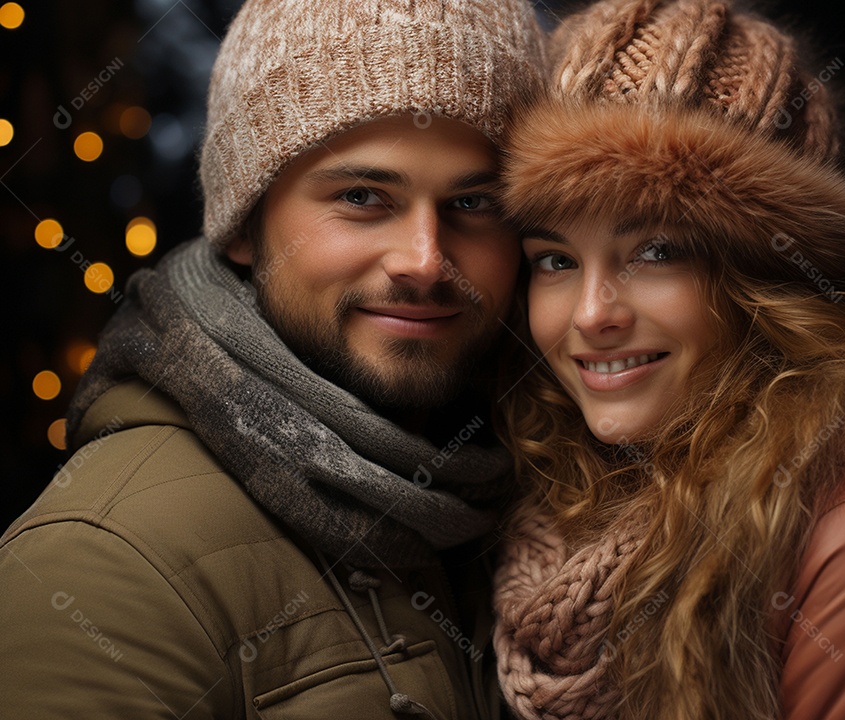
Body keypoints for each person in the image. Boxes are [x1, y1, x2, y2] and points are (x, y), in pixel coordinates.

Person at [490, 1, 845, 718]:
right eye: (555, 259)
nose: (590, 314)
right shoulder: (561, 504)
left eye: (658, 251)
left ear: (773, 281)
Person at [0, 0, 545, 717]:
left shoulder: (521, 509)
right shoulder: (106, 567)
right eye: (362, 196)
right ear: (245, 225)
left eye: (475, 203)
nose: (425, 261)